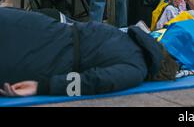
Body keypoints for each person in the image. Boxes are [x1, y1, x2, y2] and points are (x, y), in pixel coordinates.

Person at [0, 8, 178, 97]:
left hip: (40, 27)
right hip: (46, 58)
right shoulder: (137, 69)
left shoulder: (129, 36)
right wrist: (43, 87)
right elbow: (94, 81)